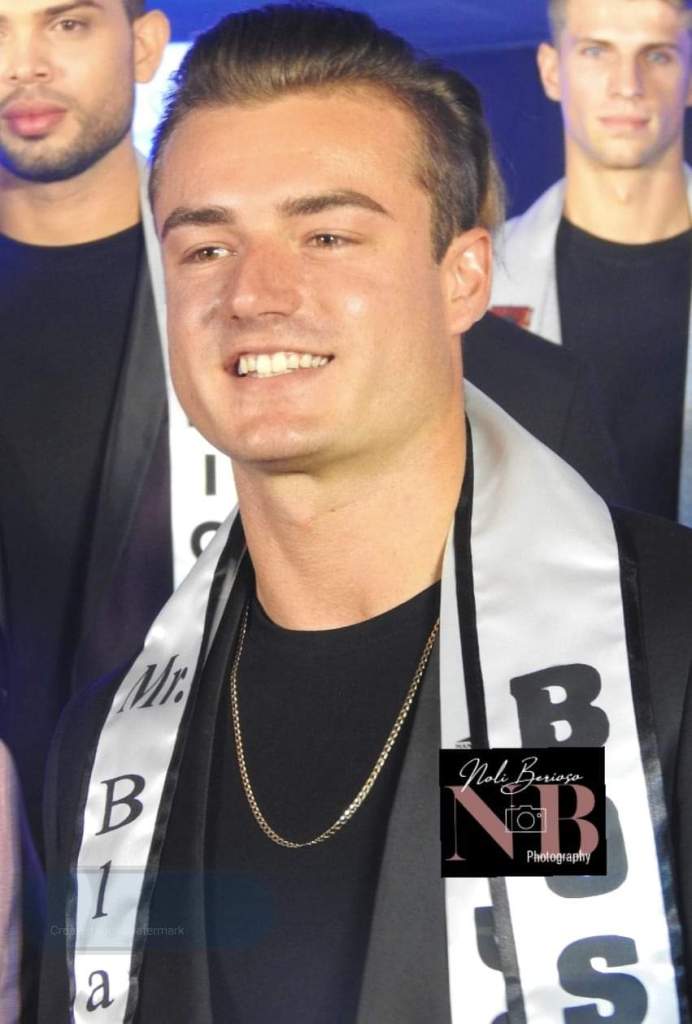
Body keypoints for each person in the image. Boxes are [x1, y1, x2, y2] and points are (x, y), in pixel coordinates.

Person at [39, 6, 692, 1022]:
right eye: (205, 248)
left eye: (327, 235)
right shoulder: (107, 748)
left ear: (463, 279)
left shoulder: (664, 650)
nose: (254, 294)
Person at [0, 0, 235, 852]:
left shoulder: (244, 284)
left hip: (203, 811)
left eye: (66, 24)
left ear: (143, 46)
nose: (23, 64)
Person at [491, 0, 692, 523]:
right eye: (596, 52)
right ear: (552, 71)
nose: (627, 85)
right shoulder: (473, 284)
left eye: (658, 55)